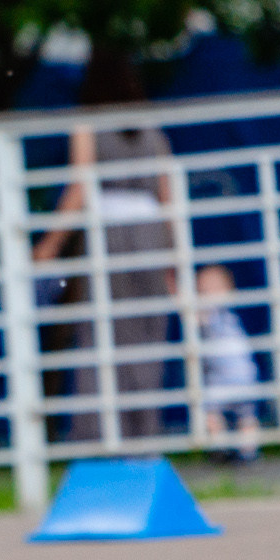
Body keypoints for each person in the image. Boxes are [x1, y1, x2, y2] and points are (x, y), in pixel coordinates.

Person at [32, 51, 176, 443]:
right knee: (148, 337)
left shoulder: (88, 126)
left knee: (105, 333)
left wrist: (50, 244)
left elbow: (79, 188)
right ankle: (143, 435)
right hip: (151, 238)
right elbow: (168, 199)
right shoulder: (152, 130)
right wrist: (174, 260)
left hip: (110, 239)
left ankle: (101, 436)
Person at [194, 264, 263, 464]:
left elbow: (197, 319)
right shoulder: (227, 316)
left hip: (233, 376)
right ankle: (237, 451)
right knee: (234, 414)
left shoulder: (218, 314)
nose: (209, 293)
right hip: (235, 375)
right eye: (204, 288)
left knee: (227, 414)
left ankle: (234, 450)